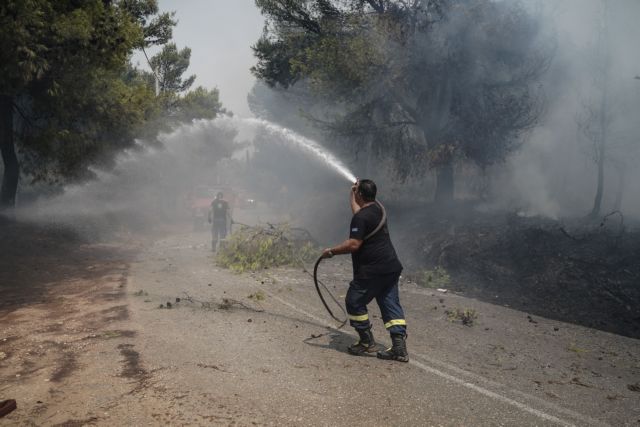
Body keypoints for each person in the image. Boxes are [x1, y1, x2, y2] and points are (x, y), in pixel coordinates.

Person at [321, 179, 408, 362]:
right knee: (389, 303)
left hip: (372, 271)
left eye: (356, 193)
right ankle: (399, 348)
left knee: (354, 301)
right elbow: (358, 212)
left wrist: (331, 251)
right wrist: (352, 193)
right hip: (391, 268)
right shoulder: (377, 210)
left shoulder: (362, 217)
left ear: (361, 194)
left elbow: (353, 244)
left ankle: (366, 342)